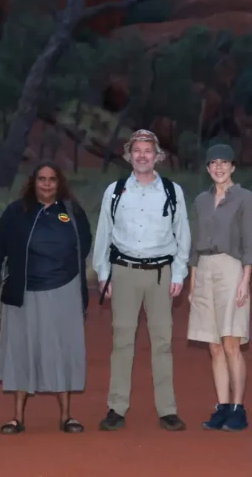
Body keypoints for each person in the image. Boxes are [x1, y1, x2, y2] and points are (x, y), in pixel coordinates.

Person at [92, 129, 191, 432]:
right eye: (137, 150)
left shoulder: (172, 192)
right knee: (122, 342)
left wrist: (179, 273)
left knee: (162, 343)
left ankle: (167, 410)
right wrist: (103, 274)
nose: (143, 155)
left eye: (148, 150)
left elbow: (182, 234)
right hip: (123, 272)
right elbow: (104, 234)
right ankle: (116, 408)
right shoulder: (115, 190)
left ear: (157, 155)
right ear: (129, 155)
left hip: (161, 274)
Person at [0, 161, 93, 435]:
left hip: (64, 289)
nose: (46, 184)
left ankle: (67, 417)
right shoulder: (16, 211)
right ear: (33, 182)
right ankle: (17, 418)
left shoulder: (72, 211)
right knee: (22, 350)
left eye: (52, 179)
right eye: (41, 179)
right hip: (24, 291)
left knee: (62, 349)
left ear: (60, 183)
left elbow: (85, 242)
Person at [186, 144, 252, 431]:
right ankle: (222, 406)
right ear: (207, 168)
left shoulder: (245, 198)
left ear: (233, 166)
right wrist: (193, 282)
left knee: (231, 343)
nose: (218, 167)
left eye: (224, 162)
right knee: (213, 345)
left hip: (232, 268)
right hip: (204, 268)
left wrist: (246, 279)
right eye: (213, 163)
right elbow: (194, 244)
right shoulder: (201, 201)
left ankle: (238, 408)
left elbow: (250, 243)